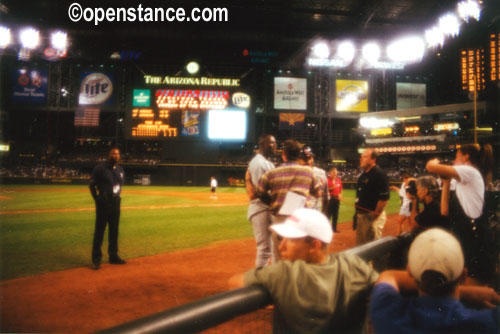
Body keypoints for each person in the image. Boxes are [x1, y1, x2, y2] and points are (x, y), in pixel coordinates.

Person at [228, 208, 379, 334]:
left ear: (314, 245)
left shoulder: (284, 273)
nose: (281, 247)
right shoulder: (352, 264)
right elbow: (383, 286)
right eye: (282, 239)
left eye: (291, 240)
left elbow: (235, 283)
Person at [370, 228, 500, 334]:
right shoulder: (490, 321)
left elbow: (389, 276)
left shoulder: (387, 313)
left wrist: (465, 292)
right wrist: (467, 291)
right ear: (463, 275)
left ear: (409, 271)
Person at [426, 143, 495, 284]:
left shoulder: (469, 171)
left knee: (472, 283)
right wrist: (446, 183)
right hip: (466, 234)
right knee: (465, 282)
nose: (454, 161)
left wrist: (435, 161)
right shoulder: (463, 180)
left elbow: (430, 167)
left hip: (473, 236)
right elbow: (444, 211)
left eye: (456, 157)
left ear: (466, 156)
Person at [255, 139, 320, 261]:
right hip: (300, 220)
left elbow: (259, 191)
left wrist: (270, 203)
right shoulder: (308, 172)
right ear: (298, 155)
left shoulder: (272, 173)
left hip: (280, 219)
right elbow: (318, 193)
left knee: (280, 261)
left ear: (283, 155)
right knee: (300, 260)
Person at [89, 147, 126, 270]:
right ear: (109, 155)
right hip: (103, 202)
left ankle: (113, 256)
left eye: (117, 154)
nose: (115, 156)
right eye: (113, 154)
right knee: (100, 231)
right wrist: (97, 199)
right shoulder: (100, 168)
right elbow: (92, 185)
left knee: (114, 231)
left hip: (115, 202)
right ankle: (96, 259)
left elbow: (119, 185)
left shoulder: (120, 170)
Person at [245, 134, 277, 267]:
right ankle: (259, 283)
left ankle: (271, 279)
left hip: (267, 208)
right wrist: (276, 206)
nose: (275, 145)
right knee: (264, 250)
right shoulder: (258, 163)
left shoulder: (267, 162)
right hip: (261, 209)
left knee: (273, 249)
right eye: (272, 143)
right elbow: (260, 192)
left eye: (275, 143)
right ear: (262, 145)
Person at [355, 149, 390, 245]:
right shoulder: (363, 176)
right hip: (361, 216)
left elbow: (384, 200)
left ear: (373, 159)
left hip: (372, 216)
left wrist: (372, 217)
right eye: (361, 157)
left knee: (371, 247)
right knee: (361, 247)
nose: (361, 159)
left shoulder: (379, 174)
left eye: (365, 157)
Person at [298, 146, 329, 215]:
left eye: (310, 158)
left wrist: (323, 216)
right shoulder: (294, 174)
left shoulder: (321, 173)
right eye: (304, 159)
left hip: (315, 214)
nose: (308, 161)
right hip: (299, 216)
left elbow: (326, 198)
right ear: (298, 160)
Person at [327, 167, 342, 232]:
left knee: (335, 214)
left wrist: (340, 196)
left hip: (336, 199)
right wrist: (332, 188)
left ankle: (334, 228)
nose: (335, 174)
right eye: (333, 173)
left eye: (336, 173)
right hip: (330, 199)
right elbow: (324, 190)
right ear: (330, 173)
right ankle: (326, 229)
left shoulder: (338, 180)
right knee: (328, 214)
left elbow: (341, 189)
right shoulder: (327, 180)